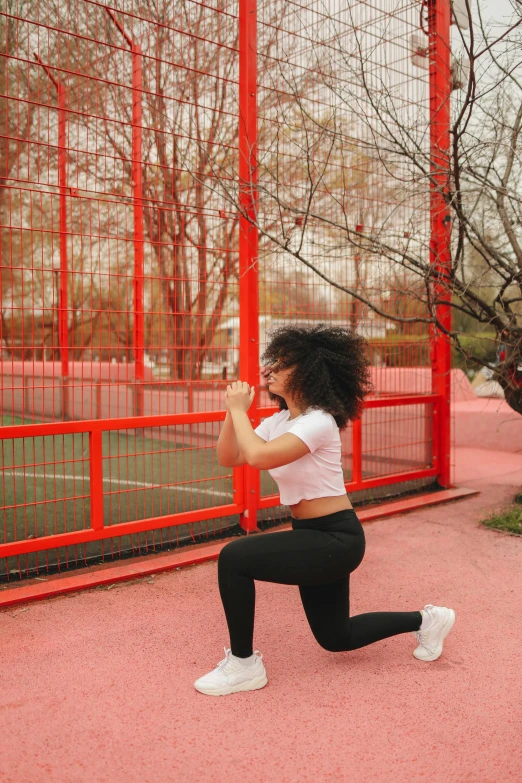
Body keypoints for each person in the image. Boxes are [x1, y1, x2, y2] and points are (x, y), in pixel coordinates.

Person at [194, 324, 455, 697]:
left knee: (234, 558)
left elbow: (258, 455)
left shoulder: (319, 422)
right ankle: (428, 620)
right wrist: (230, 413)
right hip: (312, 537)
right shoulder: (281, 421)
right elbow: (231, 457)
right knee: (337, 637)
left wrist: (239, 411)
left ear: (308, 372)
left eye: (283, 364)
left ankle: (243, 665)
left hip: (337, 537)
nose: (271, 370)